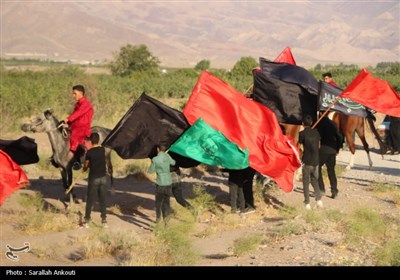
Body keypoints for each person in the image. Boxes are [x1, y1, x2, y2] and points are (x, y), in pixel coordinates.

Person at [64, 85, 94, 170]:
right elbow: (74, 115)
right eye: (73, 94)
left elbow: (78, 113)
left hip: (82, 127)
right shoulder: (77, 104)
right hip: (75, 126)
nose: (73, 95)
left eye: (74, 93)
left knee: (75, 138)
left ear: (81, 93)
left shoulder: (86, 104)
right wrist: (67, 122)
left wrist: (68, 119)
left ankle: (78, 161)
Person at [82, 133, 108, 228]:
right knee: (102, 199)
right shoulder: (102, 150)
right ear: (98, 140)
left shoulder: (89, 153)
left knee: (90, 200)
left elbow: (86, 165)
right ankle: (104, 220)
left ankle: (87, 221)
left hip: (94, 178)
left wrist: (85, 168)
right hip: (103, 178)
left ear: (91, 141)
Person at [298, 115, 323, 209]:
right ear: (311, 123)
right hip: (316, 160)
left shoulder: (302, 134)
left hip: (307, 160)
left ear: (303, 124)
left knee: (305, 181)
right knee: (314, 180)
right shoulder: (316, 133)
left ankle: (307, 202)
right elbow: (319, 146)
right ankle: (319, 200)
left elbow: (299, 146)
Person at [316, 114, 343, 199]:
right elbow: (339, 137)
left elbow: (318, 137)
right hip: (333, 150)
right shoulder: (333, 123)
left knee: (317, 167)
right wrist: (338, 148)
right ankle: (334, 191)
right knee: (331, 170)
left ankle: (321, 189)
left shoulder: (319, 123)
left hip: (323, 150)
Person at [148, 145, 176, 225]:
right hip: (168, 183)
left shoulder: (155, 159)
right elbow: (173, 162)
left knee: (158, 203)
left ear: (157, 149)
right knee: (166, 203)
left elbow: (150, 171)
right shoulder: (167, 156)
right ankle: (166, 222)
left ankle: (158, 220)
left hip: (160, 183)